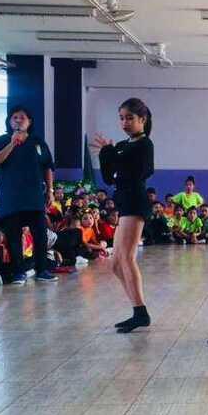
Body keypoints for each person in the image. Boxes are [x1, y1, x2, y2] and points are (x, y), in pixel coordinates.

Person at [91, 97, 154, 333]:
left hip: (135, 202)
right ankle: (139, 310)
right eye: (121, 118)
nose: (124, 122)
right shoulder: (121, 145)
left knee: (127, 258)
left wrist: (113, 155)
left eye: (129, 118)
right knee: (116, 265)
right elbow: (109, 177)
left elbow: (138, 172)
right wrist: (106, 153)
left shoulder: (144, 144)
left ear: (142, 119)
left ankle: (140, 312)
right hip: (123, 204)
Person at [0, 106, 58, 285]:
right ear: (9, 121)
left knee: (40, 233)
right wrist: (12, 143)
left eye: (22, 117)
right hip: (10, 196)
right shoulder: (1, 140)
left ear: (29, 121)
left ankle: (42, 270)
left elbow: (47, 166)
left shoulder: (38, 142)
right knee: (13, 235)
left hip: (34, 195)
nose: (18, 120)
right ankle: (19, 272)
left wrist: (50, 190)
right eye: (15, 118)